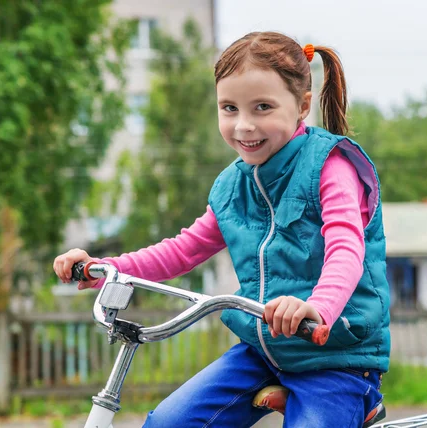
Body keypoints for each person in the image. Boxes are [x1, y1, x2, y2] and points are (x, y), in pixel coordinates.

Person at [53, 31, 390, 427]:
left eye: (262, 107)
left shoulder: (330, 167)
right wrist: (104, 267)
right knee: (167, 423)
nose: (244, 126)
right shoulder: (232, 187)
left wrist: (317, 307)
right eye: (229, 108)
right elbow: (181, 250)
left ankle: (357, 403)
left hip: (335, 356)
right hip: (263, 351)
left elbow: (346, 250)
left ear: (301, 105)